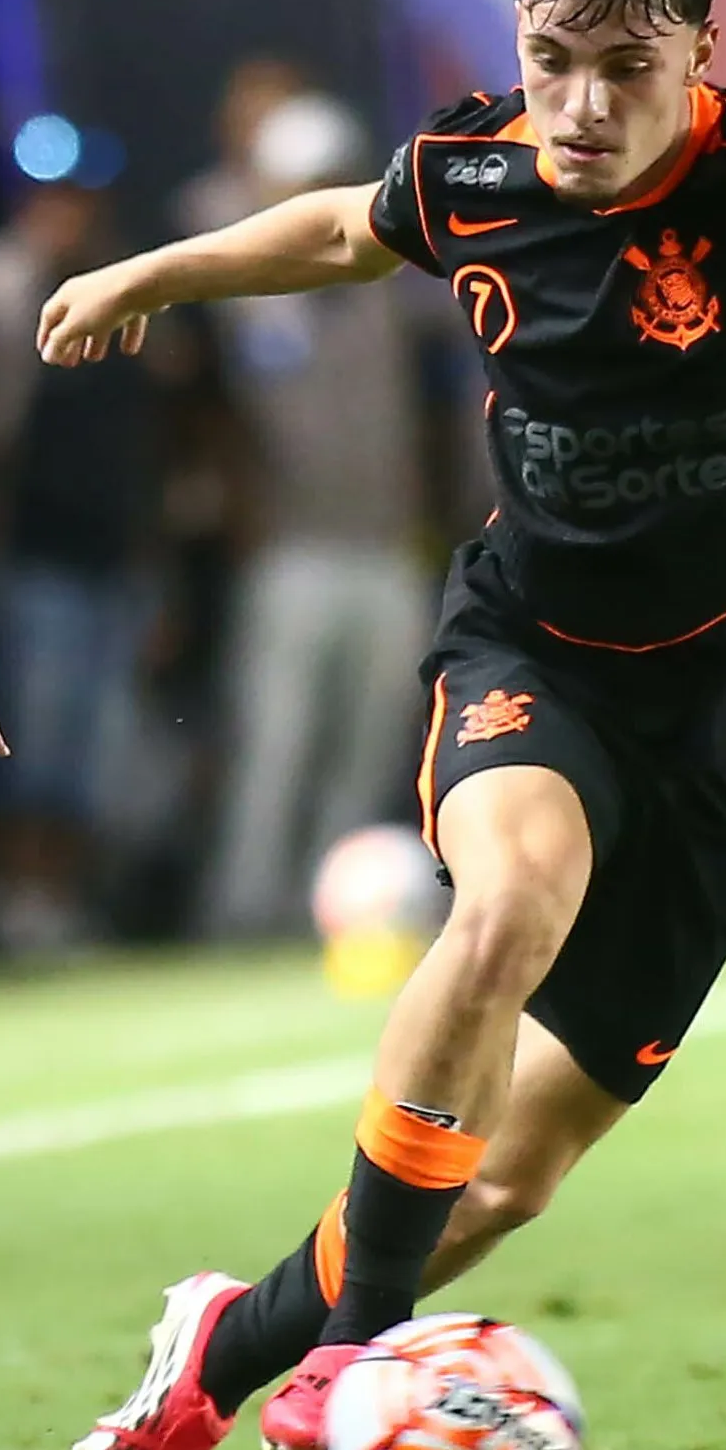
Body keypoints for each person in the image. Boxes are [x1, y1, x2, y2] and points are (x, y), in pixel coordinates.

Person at [36, 0, 726, 1450]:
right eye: (550, 58)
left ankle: (219, 1346)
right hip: (532, 648)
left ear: (695, 47)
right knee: (504, 902)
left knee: (513, 1168)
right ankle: (361, 1338)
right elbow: (333, 227)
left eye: (624, 64)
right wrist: (151, 273)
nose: (580, 103)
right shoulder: (470, 163)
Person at [191, 91, 442, 937]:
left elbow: (438, 416)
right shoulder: (249, 291)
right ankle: (240, 909)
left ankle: (322, 909)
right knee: (275, 742)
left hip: (383, 541)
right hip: (292, 547)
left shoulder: (396, 295)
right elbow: (211, 414)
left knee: (363, 748)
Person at [0, 167, 169, 953]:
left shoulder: (132, 297)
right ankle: (10, 897)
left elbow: (152, 445)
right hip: (24, 550)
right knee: (26, 735)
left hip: (109, 558)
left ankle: (56, 898)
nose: (67, 216)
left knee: (89, 746)